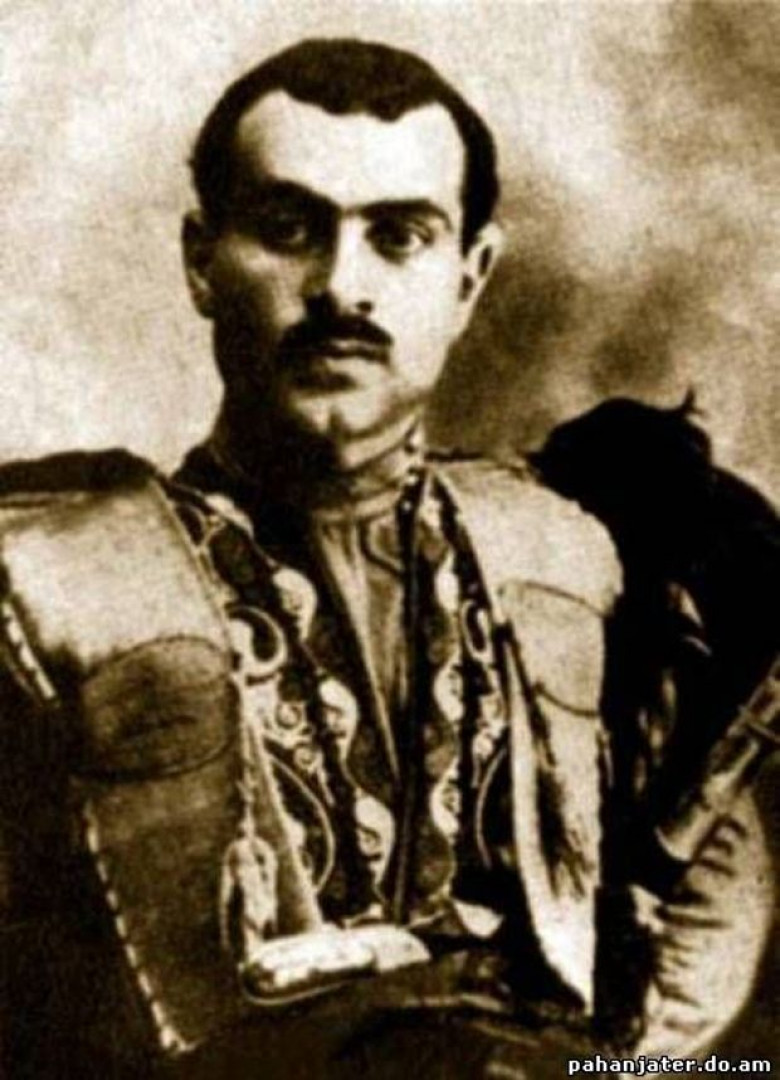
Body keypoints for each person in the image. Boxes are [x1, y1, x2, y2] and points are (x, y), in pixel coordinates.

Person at [0, 38, 772, 1079]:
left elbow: (672, 983)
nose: (341, 287)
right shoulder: (47, 589)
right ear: (200, 260)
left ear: (469, 278)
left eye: (399, 236)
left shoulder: (569, 563)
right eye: (289, 229)